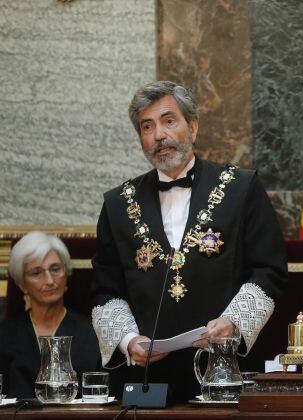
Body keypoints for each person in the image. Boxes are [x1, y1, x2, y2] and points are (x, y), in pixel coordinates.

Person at [90, 80, 287, 401]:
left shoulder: (242, 188)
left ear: (192, 126)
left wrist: (233, 323)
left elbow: (269, 271)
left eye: (169, 121)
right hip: (147, 380)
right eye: (147, 126)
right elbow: (105, 292)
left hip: (225, 372)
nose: (159, 135)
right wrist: (128, 341)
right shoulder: (117, 204)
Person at [0, 232, 101, 399]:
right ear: (22, 284)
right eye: (36, 272)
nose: (49, 280)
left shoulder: (91, 333)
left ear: (66, 273)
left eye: (55, 269)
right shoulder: (5, 336)